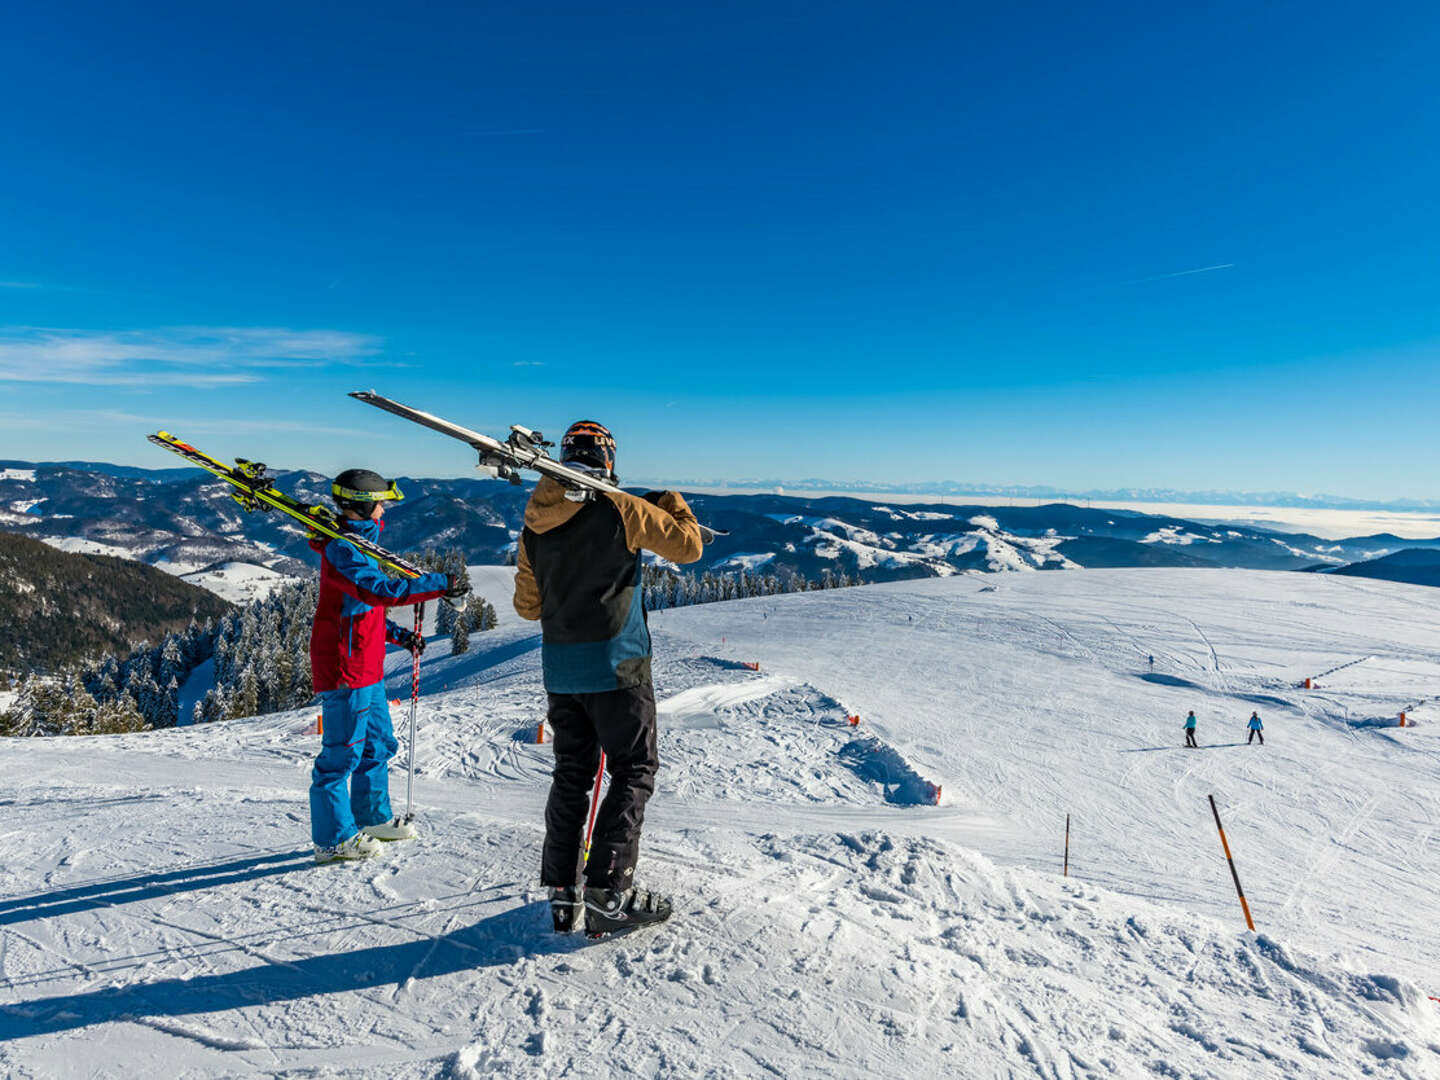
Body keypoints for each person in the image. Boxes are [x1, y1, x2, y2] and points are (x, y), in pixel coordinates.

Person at [514, 420, 704, 935]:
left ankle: (562, 889)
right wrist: (672, 501)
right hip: (618, 665)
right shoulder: (622, 507)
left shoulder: (534, 524)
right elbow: (689, 547)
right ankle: (608, 892)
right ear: (609, 461)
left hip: (561, 669)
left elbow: (527, 606)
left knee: (573, 772)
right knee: (634, 768)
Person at [308, 468, 463, 864]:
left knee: (378, 745)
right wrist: (439, 583)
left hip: (367, 664)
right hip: (346, 667)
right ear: (363, 504)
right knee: (340, 755)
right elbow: (377, 591)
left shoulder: (357, 545)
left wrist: (397, 636)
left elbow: (362, 611)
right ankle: (333, 840)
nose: (384, 510)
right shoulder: (343, 550)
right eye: (381, 502)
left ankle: (371, 818)